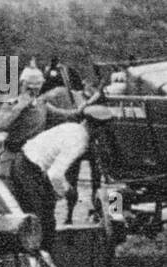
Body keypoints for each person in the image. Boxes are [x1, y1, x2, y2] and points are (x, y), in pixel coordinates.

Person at [8, 103, 115, 252]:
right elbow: (55, 174)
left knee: (38, 215)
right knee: (43, 221)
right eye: (102, 130)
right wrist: (67, 190)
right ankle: (42, 263)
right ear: (97, 128)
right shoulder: (79, 142)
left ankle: (34, 258)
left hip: (25, 162)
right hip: (28, 169)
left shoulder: (72, 127)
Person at [0, 65, 79, 180]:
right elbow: (2, 124)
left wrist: (83, 109)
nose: (33, 90)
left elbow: (65, 114)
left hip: (34, 155)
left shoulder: (42, 103)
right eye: (29, 86)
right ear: (22, 85)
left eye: (37, 86)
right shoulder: (12, 102)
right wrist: (19, 107)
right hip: (12, 154)